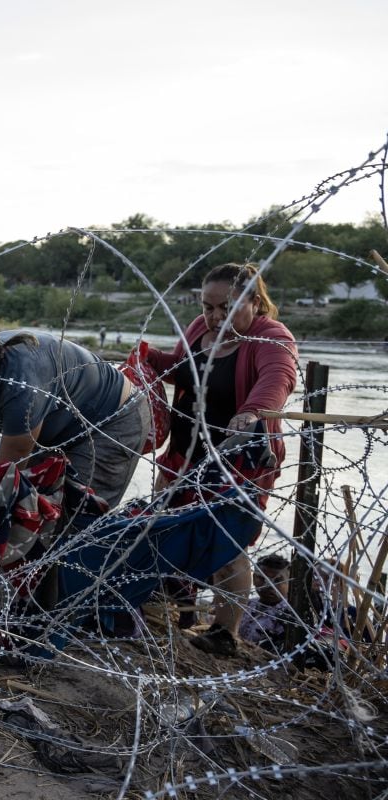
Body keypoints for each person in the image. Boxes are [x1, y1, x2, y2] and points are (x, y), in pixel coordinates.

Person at [144, 262, 297, 656]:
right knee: (169, 527)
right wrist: (147, 359)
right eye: (207, 307)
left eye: (224, 308)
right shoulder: (200, 328)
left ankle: (225, 633)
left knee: (227, 544)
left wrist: (252, 412)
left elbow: (277, 379)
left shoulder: (271, 338)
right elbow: (184, 370)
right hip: (186, 452)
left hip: (239, 458)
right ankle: (180, 614)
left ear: (254, 302)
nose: (213, 317)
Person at [0, 325, 150, 509]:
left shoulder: (19, 385)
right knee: (36, 507)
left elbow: (2, 479)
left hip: (111, 422)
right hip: (59, 424)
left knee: (75, 517)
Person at [238, 553, 292, 652]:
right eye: (263, 578)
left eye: (277, 581)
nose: (269, 585)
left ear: (290, 583)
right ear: (253, 578)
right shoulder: (246, 604)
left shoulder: (288, 617)